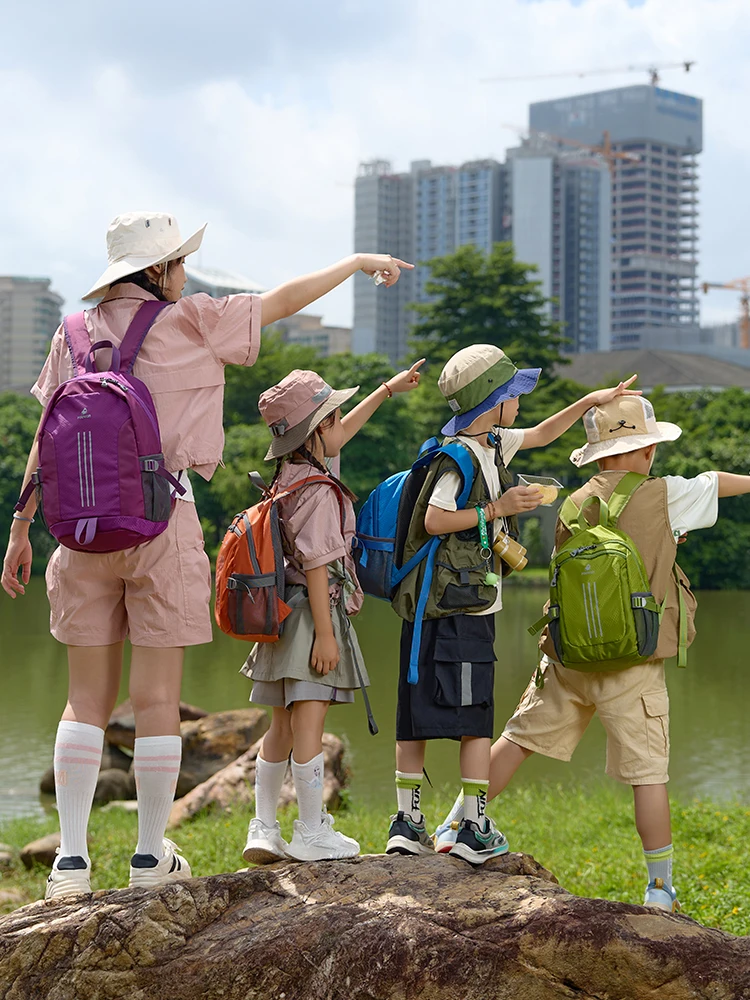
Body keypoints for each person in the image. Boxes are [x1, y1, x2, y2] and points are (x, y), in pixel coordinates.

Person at [0, 209, 412, 900]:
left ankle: (70, 864)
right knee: (157, 698)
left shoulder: (70, 332)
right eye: (179, 262)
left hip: (76, 533)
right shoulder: (189, 319)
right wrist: (352, 264)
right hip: (165, 520)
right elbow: (279, 303)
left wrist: (20, 526)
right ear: (157, 270)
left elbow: (47, 435)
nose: (185, 272)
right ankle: (146, 858)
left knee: (83, 701)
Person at [434, 394, 750, 908]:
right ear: (647, 450)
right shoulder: (667, 494)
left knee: (516, 741)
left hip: (568, 659)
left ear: (597, 455)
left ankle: (454, 825)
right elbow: (717, 482)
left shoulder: (574, 502)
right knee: (648, 775)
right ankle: (660, 888)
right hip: (635, 662)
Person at [386, 344, 641, 864]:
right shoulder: (460, 459)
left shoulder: (488, 445)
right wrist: (498, 508)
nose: (520, 403)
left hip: (436, 606)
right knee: (474, 714)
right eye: (513, 394)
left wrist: (590, 400)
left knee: (418, 712)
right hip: (461, 609)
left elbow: (544, 432)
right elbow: (435, 521)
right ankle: (471, 827)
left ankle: (408, 822)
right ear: (490, 401)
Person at [241, 363, 424, 863]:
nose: (340, 425)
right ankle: (311, 829)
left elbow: (341, 436)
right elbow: (321, 566)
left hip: (279, 616)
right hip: (310, 616)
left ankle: (264, 827)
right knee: (309, 726)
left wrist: (385, 391)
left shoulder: (289, 476)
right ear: (319, 428)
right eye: (333, 417)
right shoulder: (320, 491)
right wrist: (326, 634)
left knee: (279, 726)